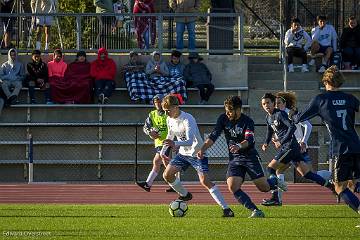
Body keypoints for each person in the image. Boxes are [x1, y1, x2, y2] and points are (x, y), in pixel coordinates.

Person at [197, 96, 287, 218]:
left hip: (250, 157)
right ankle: (255, 211)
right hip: (235, 159)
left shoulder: (247, 121)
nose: (227, 113)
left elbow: (249, 139)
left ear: (238, 109)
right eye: (226, 110)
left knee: (264, 188)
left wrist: (239, 145)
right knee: (232, 186)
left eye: (230, 110)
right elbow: (214, 136)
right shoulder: (223, 118)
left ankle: (274, 181)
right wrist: (202, 149)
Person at [292, 65, 360, 226]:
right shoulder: (350, 98)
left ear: (325, 81)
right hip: (356, 145)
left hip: (340, 148)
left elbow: (299, 118)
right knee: (353, 183)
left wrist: (292, 113)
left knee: (339, 187)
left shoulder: (321, 100)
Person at [161, 94, 234, 217]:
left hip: (198, 153)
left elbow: (189, 141)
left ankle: (227, 209)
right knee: (167, 175)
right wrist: (163, 151)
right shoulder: (170, 119)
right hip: (183, 154)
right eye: (164, 111)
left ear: (176, 107)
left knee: (205, 181)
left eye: (168, 110)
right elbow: (170, 135)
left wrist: (175, 143)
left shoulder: (188, 119)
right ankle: (185, 195)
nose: (166, 114)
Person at [261, 92, 335, 202]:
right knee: (308, 174)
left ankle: (276, 193)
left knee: (270, 169)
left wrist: (284, 141)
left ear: (273, 103)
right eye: (263, 104)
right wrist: (266, 142)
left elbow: (292, 127)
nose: (266, 105)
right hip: (291, 147)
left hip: (290, 147)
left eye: (269, 103)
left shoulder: (283, 114)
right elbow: (270, 130)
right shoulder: (268, 117)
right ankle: (332, 186)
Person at [136, 94, 175, 193]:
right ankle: (174, 184)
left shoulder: (168, 113)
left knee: (158, 161)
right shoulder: (152, 114)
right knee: (163, 162)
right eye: (155, 102)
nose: (157, 103)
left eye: (159, 101)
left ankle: (148, 184)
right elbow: (146, 127)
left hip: (167, 141)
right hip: (158, 142)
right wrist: (150, 132)